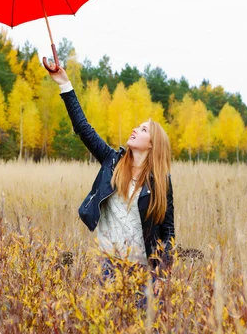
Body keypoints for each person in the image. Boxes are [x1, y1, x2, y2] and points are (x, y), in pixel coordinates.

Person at [44, 60, 175, 276]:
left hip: (142, 272)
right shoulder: (112, 162)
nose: (135, 129)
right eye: (137, 126)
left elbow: (168, 232)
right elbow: (83, 128)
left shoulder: (160, 181)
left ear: (153, 144)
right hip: (108, 266)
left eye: (143, 130)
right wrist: (64, 84)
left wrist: (163, 275)